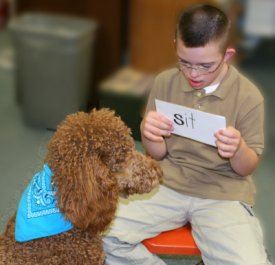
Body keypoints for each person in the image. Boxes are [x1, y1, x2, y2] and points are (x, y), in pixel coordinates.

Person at [103, 4, 272, 265]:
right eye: (185, 62)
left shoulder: (248, 97)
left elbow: (246, 168)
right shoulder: (164, 82)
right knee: (98, 232)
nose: (193, 74)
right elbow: (157, 154)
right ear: (175, 45)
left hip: (223, 193)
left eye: (206, 65)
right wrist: (149, 135)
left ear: (227, 55)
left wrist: (238, 150)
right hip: (167, 184)